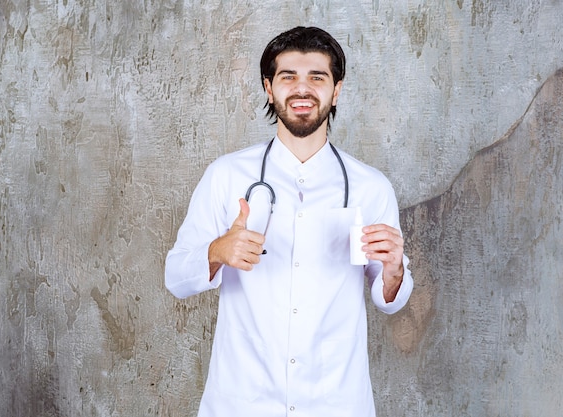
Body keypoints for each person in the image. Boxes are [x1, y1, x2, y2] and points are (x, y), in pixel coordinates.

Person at [165, 26, 414, 417]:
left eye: (317, 77)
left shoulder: (370, 187)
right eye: (288, 77)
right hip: (243, 401)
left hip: (335, 402)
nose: (303, 89)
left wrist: (395, 270)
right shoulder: (226, 176)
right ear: (269, 88)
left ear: (337, 90)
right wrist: (217, 251)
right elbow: (176, 277)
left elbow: (389, 300)